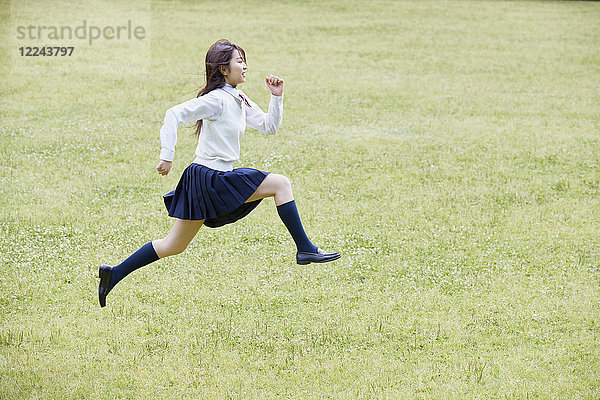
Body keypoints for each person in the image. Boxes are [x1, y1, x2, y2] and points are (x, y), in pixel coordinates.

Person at [98, 39, 340, 307]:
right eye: (239, 61)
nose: (245, 66)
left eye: (244, 60)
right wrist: (167, 156)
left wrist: (276, 96)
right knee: (280, 184)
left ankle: (113, 273)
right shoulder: (215, 100)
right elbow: (173, 114)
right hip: (208, 178)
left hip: (209, 179)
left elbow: (269, 126)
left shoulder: (238, 97)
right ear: (224, 69)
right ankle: (305, 249)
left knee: (173, 246)